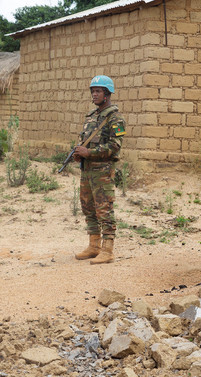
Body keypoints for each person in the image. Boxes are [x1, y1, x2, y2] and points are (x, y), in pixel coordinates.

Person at [72, 75, 126, 265]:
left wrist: (90, 152)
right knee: (88, 207)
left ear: (107, 94)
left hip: (103, 171)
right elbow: (84, 141)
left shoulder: (116, 118)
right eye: (93, 91)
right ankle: (94, 246)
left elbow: (114, 146)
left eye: (98, 91)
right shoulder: (91, 117)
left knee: (104, 209)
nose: (94, 94)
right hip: (87, 171)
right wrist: (79, 153)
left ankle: (108, 250)